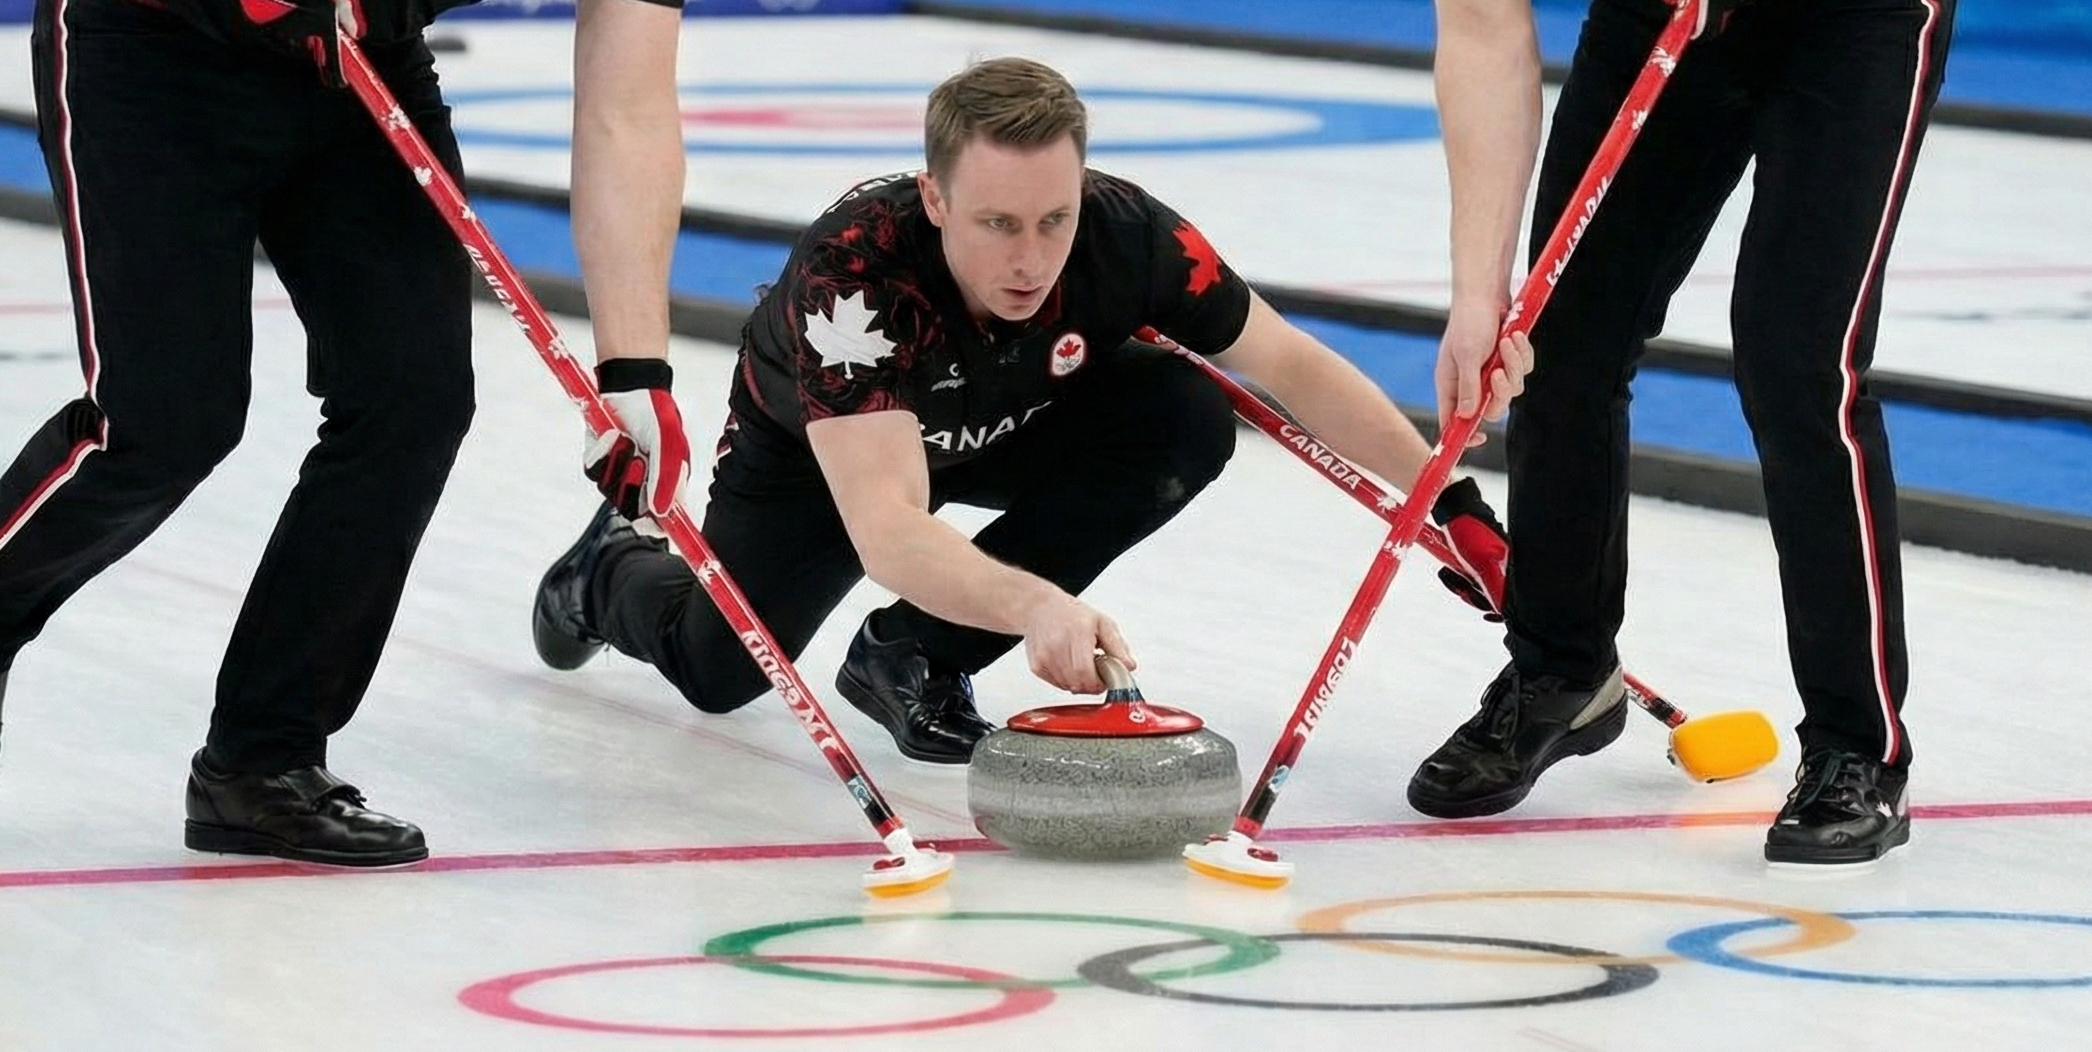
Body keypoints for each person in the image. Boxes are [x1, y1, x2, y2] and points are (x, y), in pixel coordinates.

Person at [532, 57, 1520, 765]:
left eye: (1054, 219)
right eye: (998, 223)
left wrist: (1450, 502)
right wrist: (1034, 604)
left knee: (1182, 414)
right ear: (934, 199)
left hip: (1007, 415)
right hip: (830, 456)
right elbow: (889, 527)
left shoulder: (1130, 235)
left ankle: (917, 654)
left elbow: (1293, 366)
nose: (1030, 258)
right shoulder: (855, 280)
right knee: (721, 672)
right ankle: (607, 568)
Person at [0, 0, 690, 865]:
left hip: (353, 52)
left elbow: (628, 110)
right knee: (163, 420)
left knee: (413, 396)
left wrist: (634, 372)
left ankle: (264, 759)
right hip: (154, 43)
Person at [1415, 0, 1950, 865]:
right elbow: (1482, 29)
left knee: (1797, 365)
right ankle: (1562, 669)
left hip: (1852, 22)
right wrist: (1479, 297)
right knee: (1558, 341)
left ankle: (1857, 744)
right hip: (1662, 16)